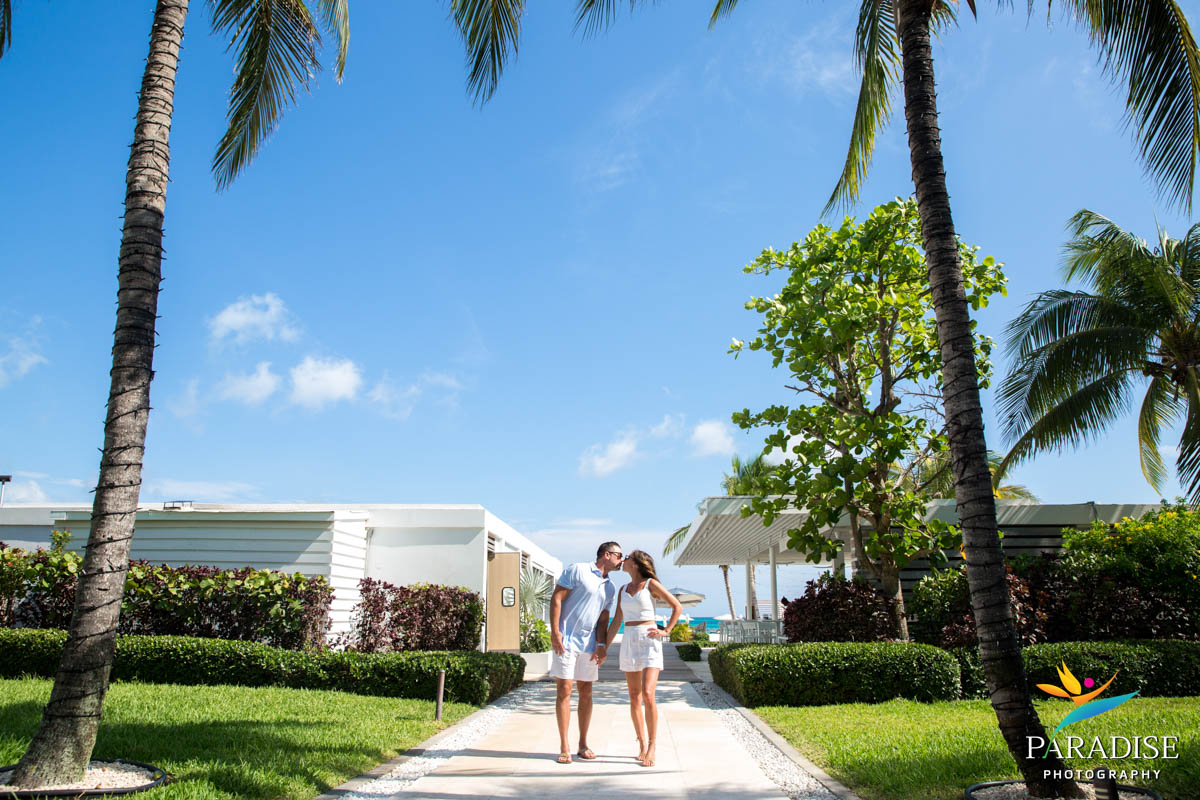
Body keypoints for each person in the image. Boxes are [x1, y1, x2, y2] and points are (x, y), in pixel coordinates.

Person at [604, 549, 682, 768]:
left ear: (636, 564)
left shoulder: (650, 584)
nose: (624, 560)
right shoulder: (622, 589)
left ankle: (653, 745)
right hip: (629, 639)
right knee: (633, 695)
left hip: (649, 639)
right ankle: (641, 744)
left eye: (627, 558)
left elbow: (677, 606)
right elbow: (616, 621)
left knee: (648, 694)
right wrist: (603, 649)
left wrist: (666, 630)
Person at [549, 541, 623, 764]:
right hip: (566, 640)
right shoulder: (578, 570)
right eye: (619, 555)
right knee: (564, 689)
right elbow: (557, 598)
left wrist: (601, 645)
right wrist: (555, 632)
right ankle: (564, 746)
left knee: (586, 691)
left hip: (589, 645)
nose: (622, 559)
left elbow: (603, 619)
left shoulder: (609, 587)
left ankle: (583, 743)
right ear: (607, 554)